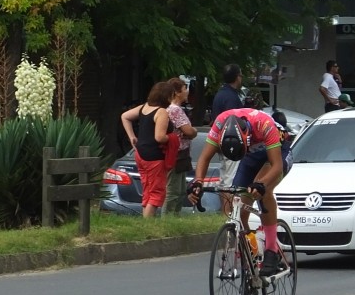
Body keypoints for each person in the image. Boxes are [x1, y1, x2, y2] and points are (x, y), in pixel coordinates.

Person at [188, 107, 292, 277]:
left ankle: (272, 249)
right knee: (238, 204)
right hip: (250, 156)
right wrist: (198, 182)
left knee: (262, 190)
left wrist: (261, 184)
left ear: (247, 137)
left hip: (278, 152)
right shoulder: (220, 123)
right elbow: (204, 158)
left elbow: (277, 166)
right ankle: (250, 246)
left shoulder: (263, 124)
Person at [121, 80, 174, 217]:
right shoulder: (161, 112)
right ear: (166, 96)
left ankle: (145, 221)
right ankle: (148, 223)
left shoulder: (144, 107)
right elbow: (159, 137)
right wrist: (173, 138)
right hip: (154, 156)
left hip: (140, 154)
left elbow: (125, 116)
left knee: (147, 189)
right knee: (156, 192)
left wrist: (131, 136)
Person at [209, 64, 244, 213]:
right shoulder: (231, 97)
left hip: (220, 141)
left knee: (224, 179)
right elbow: (233, 121)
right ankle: (230, 214)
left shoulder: (220, 94)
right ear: (237, 77)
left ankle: (225, 213)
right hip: (232, 143)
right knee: (231, 180)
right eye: (241, 75)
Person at [163, 78, 198, 215]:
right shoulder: (175, 110)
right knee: (173, 190)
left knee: (180, 189)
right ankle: (168, 219)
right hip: (176, 154)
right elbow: (188, 131)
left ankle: (174, 218)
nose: (187, 91)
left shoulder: (172, 109)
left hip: (181, 154)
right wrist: (194, 131)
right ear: (177, 92)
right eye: (185, 88)